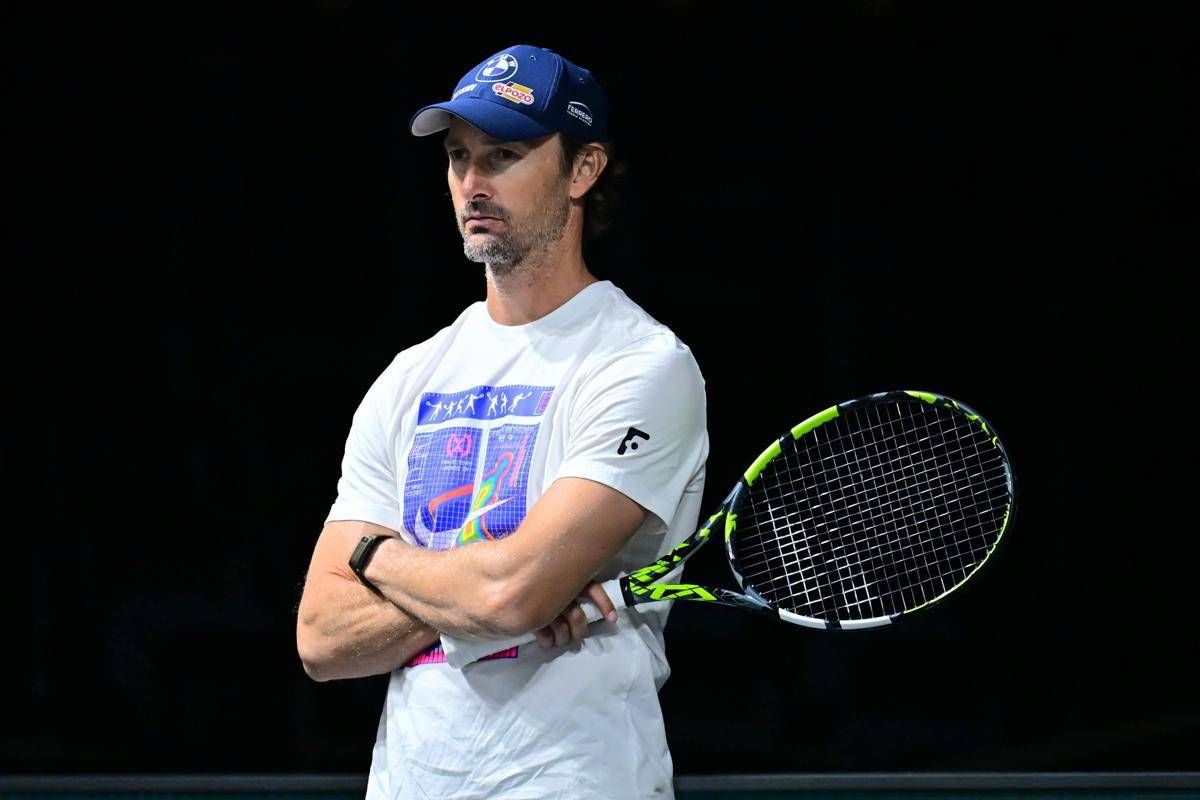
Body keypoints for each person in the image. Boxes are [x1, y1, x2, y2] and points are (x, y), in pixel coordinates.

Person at [296, 44, 709, 799]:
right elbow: (321, 637)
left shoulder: (642, 365)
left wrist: (377, 559)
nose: (473, 183)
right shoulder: (410, 376)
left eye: (505, 155)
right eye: (459, 157)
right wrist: (505, 592)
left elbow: (509, 595)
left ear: (583, 170)